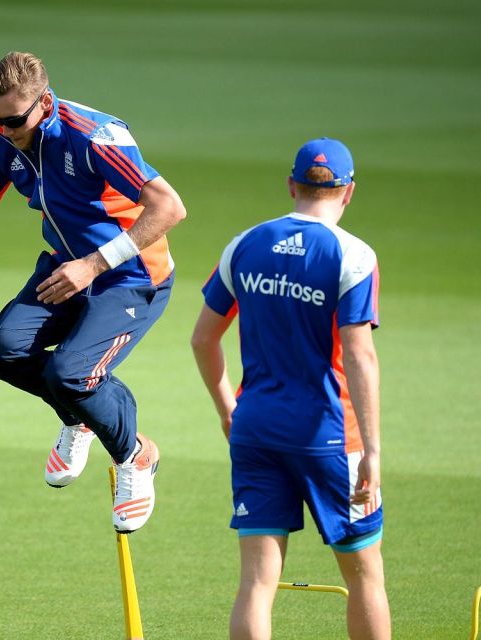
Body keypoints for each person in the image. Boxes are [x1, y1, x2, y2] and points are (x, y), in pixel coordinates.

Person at [0, 51, 186, 534]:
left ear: (44, 102)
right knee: (4, 351)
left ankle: (135, 455)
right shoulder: (5, 140)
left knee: (72, 372)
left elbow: (170, 207)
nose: (4, 129)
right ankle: (80, 418)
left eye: (14, 120)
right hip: (65, 268)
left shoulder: (94, 136)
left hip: (131, 277)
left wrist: (93, 265)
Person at [190, 138, 391, 639]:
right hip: (329, 435)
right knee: (365, 575)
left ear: (291, 185)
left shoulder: (245, 244)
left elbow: (202, 339)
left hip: (255, 428)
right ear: (348, 192)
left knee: (257, 583)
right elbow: (360, 356)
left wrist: (227, 410)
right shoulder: (355, 256)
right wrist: (372, 448)